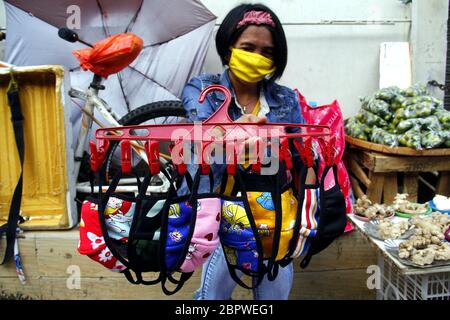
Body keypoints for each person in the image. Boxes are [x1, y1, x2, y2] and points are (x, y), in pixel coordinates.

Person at [179, 3, 305, 300]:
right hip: (220, 206)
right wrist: (237, 134)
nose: (257, 57)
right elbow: (204, 140)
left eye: (267, 52)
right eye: (248, 47)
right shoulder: (203, 90)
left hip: (273, 209)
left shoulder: (287, 100)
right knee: (214, 296)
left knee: (275, 291)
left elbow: (298, 154)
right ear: (228, 49)